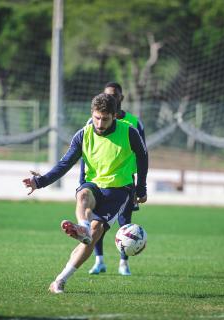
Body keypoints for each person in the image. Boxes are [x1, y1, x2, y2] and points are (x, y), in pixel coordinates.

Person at [22, 93, 148, 294]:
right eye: (97, 117)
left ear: (114, 116)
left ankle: (60, 280)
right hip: (94, 185)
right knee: (82, 197)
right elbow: (65, 163)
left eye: (105, 119)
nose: (100, 123)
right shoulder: (84, 134)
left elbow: (143, 157)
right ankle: (83, 227)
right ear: (92, 113)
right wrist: (40, 181)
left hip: (119, 190)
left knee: (95, 234)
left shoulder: (129, 132)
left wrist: (141, 188)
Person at [82, 82, 146, 276]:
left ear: (121, 98)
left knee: (125, 220)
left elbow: (143, 153)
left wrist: (139, 185)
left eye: (115, 95)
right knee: (98, 222)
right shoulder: (93, 123)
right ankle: (99, 260)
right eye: (108, 94)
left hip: (125, 180)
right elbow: (84, 156)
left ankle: (123, 263)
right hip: (98, 181)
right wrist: (81, 182)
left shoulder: (133, 123)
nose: (112, 98)